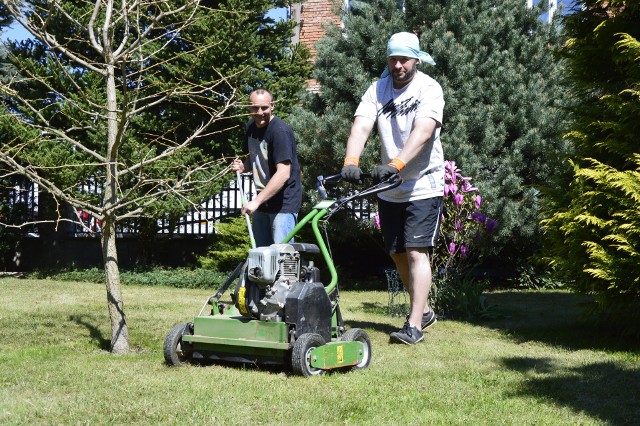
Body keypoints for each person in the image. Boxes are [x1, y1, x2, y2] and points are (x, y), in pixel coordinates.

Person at [341, 32, 445, 345]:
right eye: (393, 59)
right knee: (397, 253)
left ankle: (414, 325)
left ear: (416, 59)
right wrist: (351, 159)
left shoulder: (429, 88)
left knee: (416, 251)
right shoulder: (378, 88)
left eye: (404, 59)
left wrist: (397, 164)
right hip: (391, 188)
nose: (398, 65)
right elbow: (361, 124)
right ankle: (423, 310)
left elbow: (424, 131)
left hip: (423, 183)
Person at [231, 88, 302, 247]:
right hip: (263, 201)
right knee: (262, 255)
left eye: (264, 107)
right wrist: (243, 166)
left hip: (283, 203)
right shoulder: (250, 127)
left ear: (272, 106)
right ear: (249, 107)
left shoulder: (279, 131)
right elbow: (254, 158)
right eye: (255, 108)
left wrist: (256, 201)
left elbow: (283, 173)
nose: (260, 112)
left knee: (281, 256)